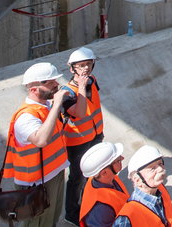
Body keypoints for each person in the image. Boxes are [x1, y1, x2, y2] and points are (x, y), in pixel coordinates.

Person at [3, 62, 71, 227]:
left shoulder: (46, 107)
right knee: (38, 223)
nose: (57, 85)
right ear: (33, 89)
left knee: (51, 220)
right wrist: (56, 105)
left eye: (55, 80)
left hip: (54, 174)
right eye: (50, 82)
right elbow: (41, 140)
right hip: (37, 183)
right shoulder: (26, 117)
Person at [61, 47, 105, 224]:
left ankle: (89, 202)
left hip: (95, 135)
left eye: (88, 64)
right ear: (72, 68)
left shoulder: (92, 80)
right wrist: (80, 86)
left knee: (93, 173)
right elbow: (77, 113)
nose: (85, 69)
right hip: (77, 142)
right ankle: (71, 212)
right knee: (76, 178)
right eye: (81, 66)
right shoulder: (67, 92)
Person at [113, 145, 172, 227]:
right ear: (137, 180)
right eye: (153, 168)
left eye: (160, 163)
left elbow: (165, 219)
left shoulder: (159, 191)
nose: (160, 169)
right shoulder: (126, 219)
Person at [79, 141, 127, 227]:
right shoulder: (101, 210)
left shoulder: (108, 178)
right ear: (104, 173)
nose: (122, 158)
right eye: (118, 160)